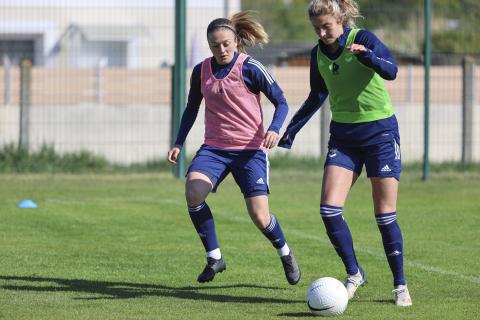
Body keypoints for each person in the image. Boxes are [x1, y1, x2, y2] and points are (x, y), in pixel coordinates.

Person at [278, 0, 412, 306]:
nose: (323, 33)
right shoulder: (317, 53)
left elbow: (391, 70)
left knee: (384, 214)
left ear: (341, 19)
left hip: (380, 133)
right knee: (329, 209)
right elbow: (318, 94)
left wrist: (369, 59)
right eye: (317, 28)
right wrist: (292, 129)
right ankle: (354, 274)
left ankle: (400, 284)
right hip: (344, 137)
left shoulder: (362, 39)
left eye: (327, 26)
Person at [167, 11, 300, 285]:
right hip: (214, 149)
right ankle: (215, 257)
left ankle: (285, 253)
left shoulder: (251, 68)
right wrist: (178, 142)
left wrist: (275, 129)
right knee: (193, 192)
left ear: (237, 41)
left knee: (260, 216)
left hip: (250, 150)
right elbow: (192, 108)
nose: (221, 49)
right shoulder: (201, 70)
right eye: (215, 45)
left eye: (226, 43)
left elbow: (282, 102)